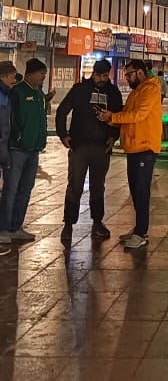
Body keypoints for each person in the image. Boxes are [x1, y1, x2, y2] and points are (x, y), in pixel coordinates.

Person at [96, 58, 162, 251]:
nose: (127, 78)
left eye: (129, 74)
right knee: (135, 191)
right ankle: (138, 229)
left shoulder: (149, 89)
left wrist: (114, 117)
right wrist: (112, 120)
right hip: (134, 147)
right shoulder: (137, 91)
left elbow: (139, 115)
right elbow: (128, 113)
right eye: (126, 75)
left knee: (141, 192)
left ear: (140, 72)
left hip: (145, 147)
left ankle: (141, 233)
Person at [55, 59, 123, 247]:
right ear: (93, 73)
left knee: (98, 186)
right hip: (80, 146)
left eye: (105, 75)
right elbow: (62, 111)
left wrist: (113, 136)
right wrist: (63, 135)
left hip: (102, 148)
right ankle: (68, 224)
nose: (102, 79)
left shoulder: (113, 92)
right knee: (75, 186)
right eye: (99, 75)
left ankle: (97, 222)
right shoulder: (80, 90)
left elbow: (119, 117)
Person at [0, 58, 47, 245]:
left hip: (34, 150)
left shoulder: (39, 94)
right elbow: (11, 120)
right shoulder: (17, 92)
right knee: (11, 189)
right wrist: (17, 138)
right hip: (17, 149)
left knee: (26, 189)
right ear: (30, 74)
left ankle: (16, 226)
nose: (44, 76)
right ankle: (4, 226)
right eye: (41, 73)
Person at [0, 63, 18, 257]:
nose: (14, 81)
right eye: (12, 77)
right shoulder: (2, 95)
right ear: (4, 76)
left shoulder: (6, 94)